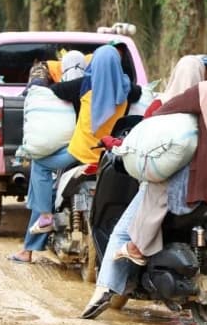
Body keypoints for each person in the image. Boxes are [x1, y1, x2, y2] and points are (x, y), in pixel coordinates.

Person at [81, 40, 207, 318]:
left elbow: (161, 114)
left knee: (130, 221)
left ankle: (107, 285)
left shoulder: (205, 92)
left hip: (204, 186)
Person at [10, 45, 141, 263]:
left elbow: (55, 90)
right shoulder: (128, 89)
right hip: (110, 155)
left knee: (40, 166)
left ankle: (40, 226)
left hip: (80, 154)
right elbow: (140, 92)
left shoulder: (84, 86)